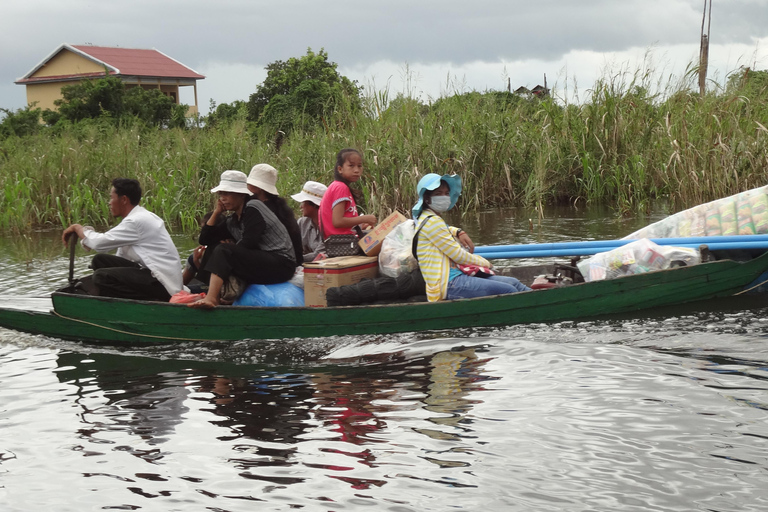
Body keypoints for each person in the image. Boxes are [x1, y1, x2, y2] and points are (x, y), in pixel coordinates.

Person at [412, 173, 531, 302]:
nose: (444, 197)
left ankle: (536, 302)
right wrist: (485, 263)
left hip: (457, 276)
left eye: (446, 193)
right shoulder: (433, 222)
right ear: (427, 198)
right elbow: (458, 256)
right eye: (438, 193)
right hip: (448, 283)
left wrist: (458, 231)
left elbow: (445, 229)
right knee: (509, 291)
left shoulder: (426, 217)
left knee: (513, 282)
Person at [61, 178, 183, 301]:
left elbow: (99, 244)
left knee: (100, 276)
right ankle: (110, 301)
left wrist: (78, 228)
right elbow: (121, 256)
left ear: (124, 199)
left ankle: (143, 302)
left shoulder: (136, 221)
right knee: (100, 260)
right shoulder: (138, 217)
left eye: (111, 198)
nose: (109, 203)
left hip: (163, 285)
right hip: (154, 276)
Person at [189, 170, 296, 309]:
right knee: (215, 247)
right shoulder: (233, 221)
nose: (222, 198)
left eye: (227, 194)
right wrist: (216, 213)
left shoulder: (254, 207)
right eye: (221, 194)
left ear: (240, 195)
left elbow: (249, 242)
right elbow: (205, 239)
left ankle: (212, 298)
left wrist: (231, 248)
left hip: (282, 265)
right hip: (262, 263)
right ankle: (208, 292)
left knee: (224, 250)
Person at [246, 163, 303, 265]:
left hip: (280, 262)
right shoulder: (281, 208)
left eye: (249, 185)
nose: (247, 187)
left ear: (258, 187)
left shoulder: (261, 210)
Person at [318, 148, 377, 238]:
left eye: (359, 166)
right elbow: (337, 222)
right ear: (340, 169)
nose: (356, 170)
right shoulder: (340, 187)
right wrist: (364, 218)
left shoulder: (338, 186)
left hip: (341, 241)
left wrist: (361, 224)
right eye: (351, 166)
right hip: (340, 243)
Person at [290, 180, 328, 262]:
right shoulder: (302, 223)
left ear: (314, 205)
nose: (301, 207)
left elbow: (318, 255)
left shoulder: (329, 227)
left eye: (303, 203)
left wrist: (293, 259)